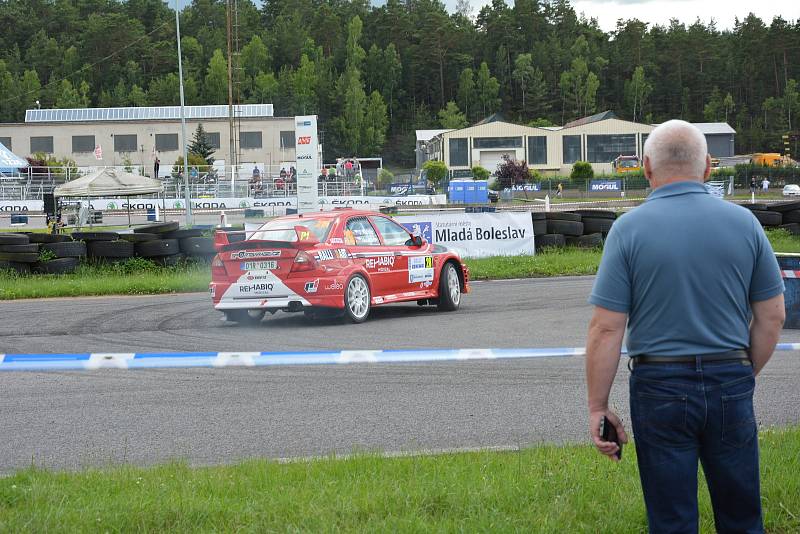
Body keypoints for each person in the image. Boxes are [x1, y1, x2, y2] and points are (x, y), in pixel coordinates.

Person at [585, 120, 785, 533]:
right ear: (709, 167)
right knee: (742, 516)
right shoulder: (746, 224)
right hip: (730, 376)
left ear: (645, 167)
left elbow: (607, 329)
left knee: (671, 519)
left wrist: (598, 406)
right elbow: (773, 316)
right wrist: (743, 372)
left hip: (658, 384)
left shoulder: (627, 231)